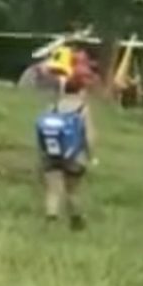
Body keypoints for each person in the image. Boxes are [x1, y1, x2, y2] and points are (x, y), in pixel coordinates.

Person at [35, 75, 97, 231]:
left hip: (51, 154)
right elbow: (89, 135)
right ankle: (76, 222)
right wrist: (91, 155)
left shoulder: (53, 107)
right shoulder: (82, 109)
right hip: (75, 156)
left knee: (53, 191)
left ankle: (51, 222)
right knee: (73, 191)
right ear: (81, 91)